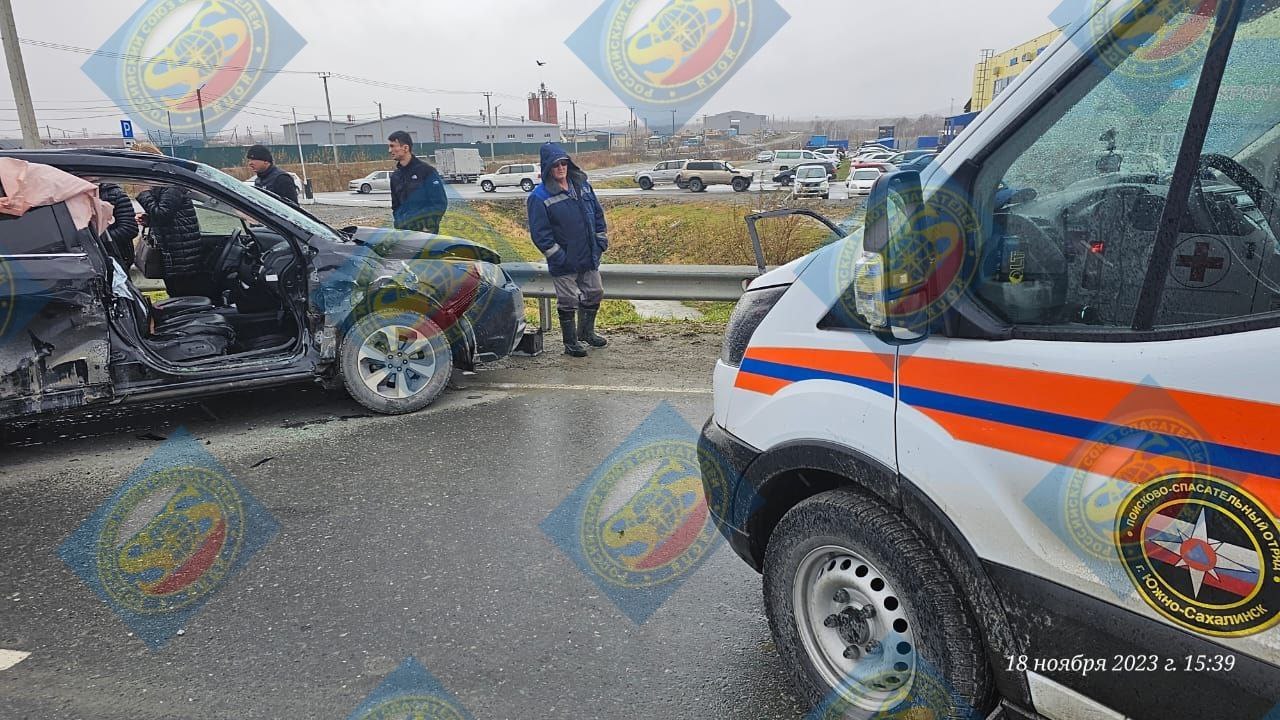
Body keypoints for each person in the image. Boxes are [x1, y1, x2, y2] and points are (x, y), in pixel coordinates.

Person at [526, 142, 609, 357]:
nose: (561, 168)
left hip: (589, 254)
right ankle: (570, 342)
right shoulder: (539, 197)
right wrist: (559, 256)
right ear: (547, 168)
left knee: (595, 292)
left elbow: (598, 216)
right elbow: (540, 235)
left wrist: (600, 242)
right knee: (568, 300)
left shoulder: (582, 186)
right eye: (556, 165)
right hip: (564, 261)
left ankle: (586, 333)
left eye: (564, 163)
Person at [131, 143, 206, 299]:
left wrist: (143, 193)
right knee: (176, 293)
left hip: (181, 256)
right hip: (176, 253)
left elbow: (164, 214)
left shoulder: (171, 184)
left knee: (183, 295)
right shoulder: (163, 183)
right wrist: (149, 220)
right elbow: (168, 216)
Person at [387, 130, 448, 233]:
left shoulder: (427, 171)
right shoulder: (395, 176)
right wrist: (398, 222)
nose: (389, 150)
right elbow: (396, 206)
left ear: (406, 148)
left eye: (393, 146)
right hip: (403, 233)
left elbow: (439, 204)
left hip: (425, 235)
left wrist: (427, 227)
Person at [98, 182, 138, 265]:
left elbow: (129, 229)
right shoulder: (75, 194)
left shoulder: (115, 194)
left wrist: (97, 239)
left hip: (116, 255)